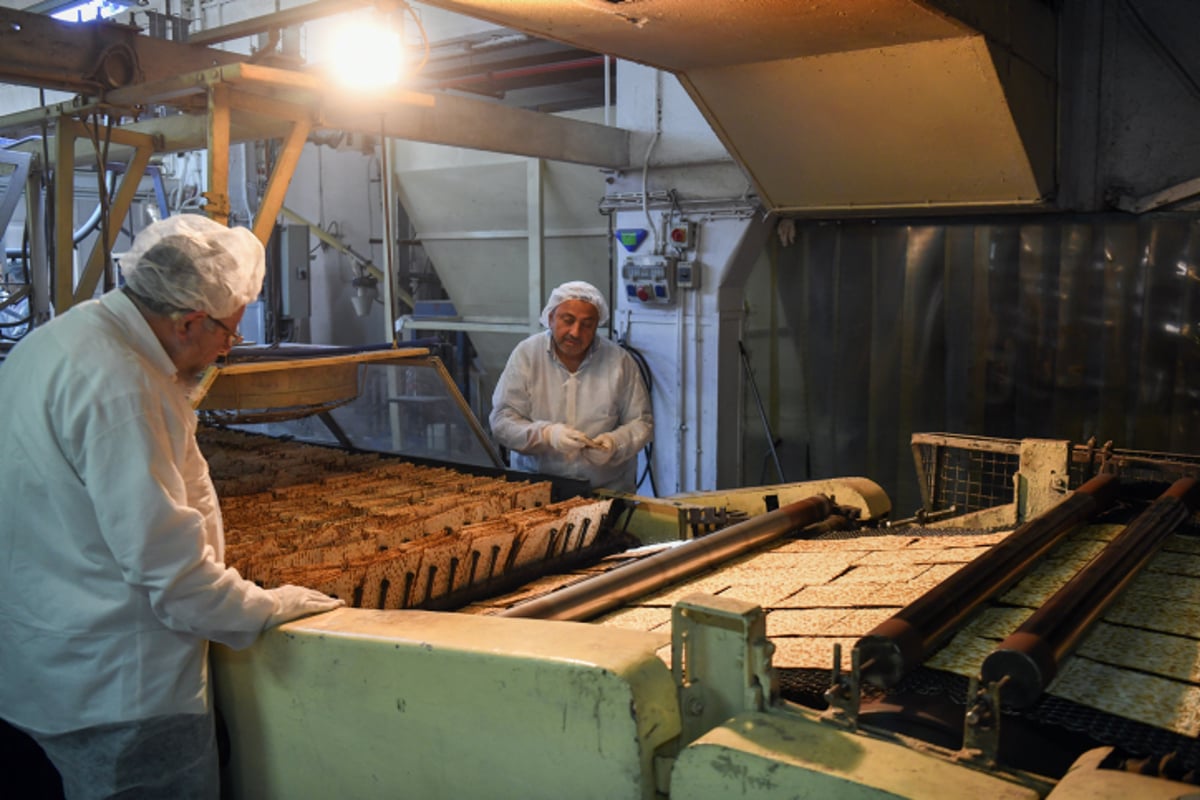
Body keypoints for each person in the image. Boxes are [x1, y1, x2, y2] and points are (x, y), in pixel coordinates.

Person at [0, 214, 343, 799]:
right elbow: (172, 573)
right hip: (121, 692)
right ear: (188, 322)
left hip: (40, 666)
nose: (225, 352)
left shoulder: (60, 340)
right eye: (229, 336)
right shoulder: (124, 385)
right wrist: (265, 608)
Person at [489, 280, 652, 492]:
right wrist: (546, 435)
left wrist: (615, 444)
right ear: (550, 318)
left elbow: (641, 423)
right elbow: (502, 421)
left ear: (597, 326)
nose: (575, 332)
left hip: (605, 490)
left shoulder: (619, 361)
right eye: (568, 320)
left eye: (587, 324)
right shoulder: (527, 354)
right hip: (536, 489)